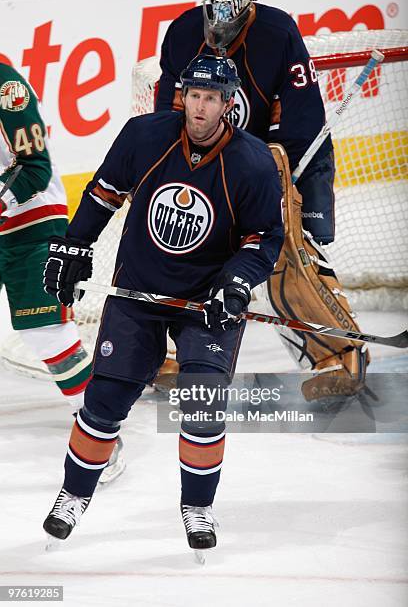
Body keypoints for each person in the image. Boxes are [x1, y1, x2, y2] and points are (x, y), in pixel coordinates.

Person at [41, 54, 284, 553]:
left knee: (201, 405)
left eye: (210, 98)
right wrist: (75, 244)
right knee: (104, 400)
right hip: (139, 292)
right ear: (183, 96)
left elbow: (263, 239)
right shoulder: (144, 136)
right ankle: (73, 494)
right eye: (193, 95)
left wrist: (236, 284)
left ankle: (197, 506)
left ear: (227, 102)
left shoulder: (254, 162)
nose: (199, 107)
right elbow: (104, 194)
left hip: (206, 302)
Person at [155, 0, 369, 404]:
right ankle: (164, 353)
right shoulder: (183, 32)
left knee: (284, 252)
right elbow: (170, 114)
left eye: (229, 6)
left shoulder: (277, 31)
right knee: (175, 236)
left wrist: (271, 187)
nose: (219, 18)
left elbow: (302, 120)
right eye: (213, 5)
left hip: (279, 154)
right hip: (212, 154)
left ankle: (340, 356)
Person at [0, 62, 124, 483]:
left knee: (46, 330)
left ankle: (99, 429)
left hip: (31, 222)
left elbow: (34, 167)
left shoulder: (6, 85)